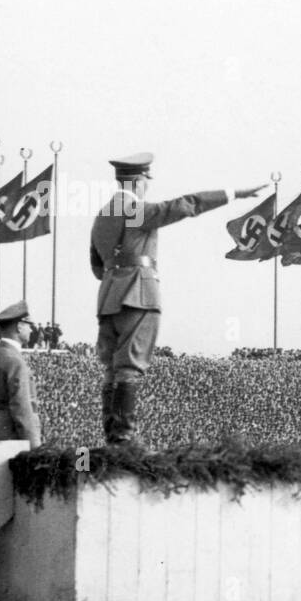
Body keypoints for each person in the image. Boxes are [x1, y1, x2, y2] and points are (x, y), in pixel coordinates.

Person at [90, 153, 265, 446]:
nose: (148, 186)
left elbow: (97, 264)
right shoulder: (133, 208)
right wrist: (233, 194)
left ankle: (113, 438)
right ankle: (122, 439)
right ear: (138, 181)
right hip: (137, 294)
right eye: (146, 180)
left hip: (109, 297)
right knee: (129, 366)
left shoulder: (103, 214)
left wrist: (116, 277)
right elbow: (186, 205)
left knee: (112, 369)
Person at [0, 300, 42, 450]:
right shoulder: (15, 361)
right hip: (12, 439)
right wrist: (35, 446)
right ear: (19, 326)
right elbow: (21, 408)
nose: (32, 330)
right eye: (29, 326)